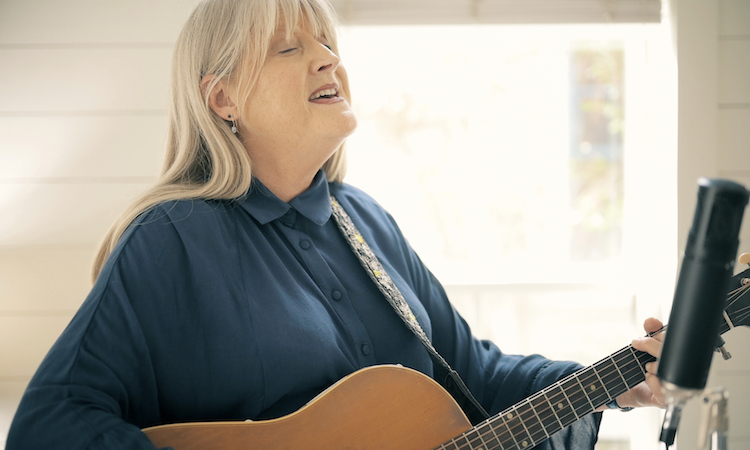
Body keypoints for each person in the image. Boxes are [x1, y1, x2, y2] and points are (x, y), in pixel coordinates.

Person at [6, 0, 666, 448]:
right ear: (222, 98)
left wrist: (621, 378)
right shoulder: (171, 240)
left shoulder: (368, 222)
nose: (327, 59)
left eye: (327, 42)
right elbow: (49, 425)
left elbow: (478, 378)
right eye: (289, 48)